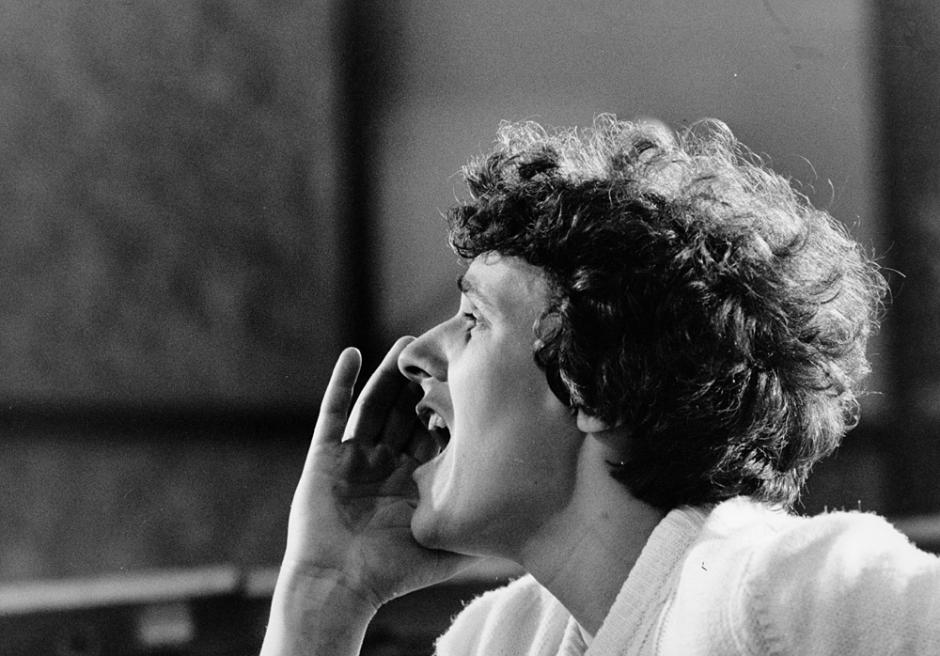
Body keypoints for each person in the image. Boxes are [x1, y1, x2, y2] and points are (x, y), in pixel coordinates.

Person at [260, 116, 940, 655]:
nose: (412, 355)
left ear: (594, 385)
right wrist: (326, 593)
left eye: (474, 319)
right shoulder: (496, 642)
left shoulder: (790, 587)